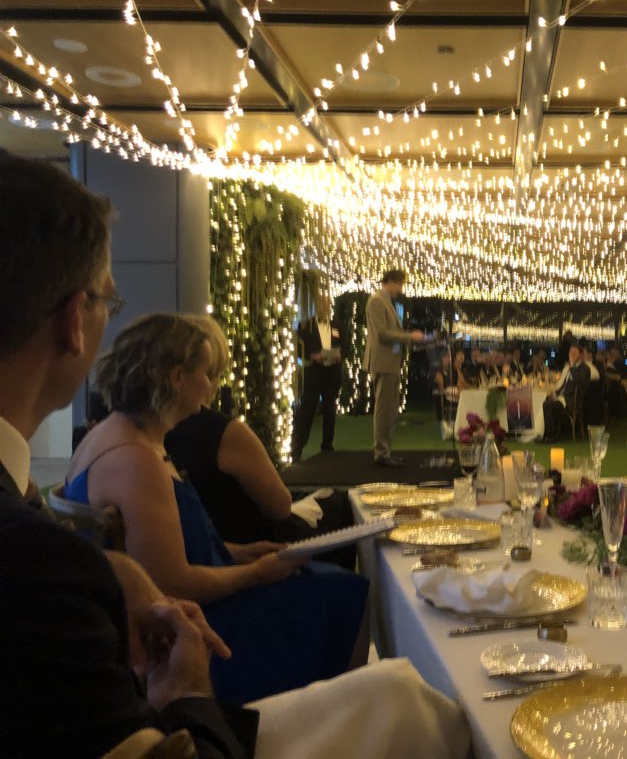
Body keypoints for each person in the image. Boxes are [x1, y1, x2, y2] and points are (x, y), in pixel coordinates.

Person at [0, 151, 253, 756]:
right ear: (74, 321)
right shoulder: (36, 569)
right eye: (106, 302)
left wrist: (116, 569)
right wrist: (188, 693)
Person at [65, 314, 370, 704]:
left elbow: (165, 548)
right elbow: (170, 583)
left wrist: (241, 552)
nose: (211, 386)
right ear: (178, 378)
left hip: (198, 605)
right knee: (347, 592)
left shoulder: (114, 435)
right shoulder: (135, 459)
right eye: (206, 374)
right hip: (198, 629)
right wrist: (256, 573)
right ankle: (332, 713)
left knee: (326, 581)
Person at [166, 316, 357, 566]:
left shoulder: (149, 434)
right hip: (254, 546)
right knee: (340, 505)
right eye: (209, 374)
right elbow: (279, 507)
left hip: (211, 547)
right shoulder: (224, 433)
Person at [362, 269, 425, 467]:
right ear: (390, 281)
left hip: (389, 362)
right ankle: (381, 452)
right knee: (384, 409)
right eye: (400, 284)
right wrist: (409, 337)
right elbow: (382, 334)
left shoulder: (386, 302)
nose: (401, 289)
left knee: (389, 409)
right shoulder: (376, 301)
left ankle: (385, 451)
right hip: (383, 362)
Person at [290, 295, 341, 463]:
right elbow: (296, 348)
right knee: (306, 412)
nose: (325, 307)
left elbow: (343, 345)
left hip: (331, 374)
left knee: (330, 412)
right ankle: (297, 449)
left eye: (327, 304)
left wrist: (339, 355)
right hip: (313, 374)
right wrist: (311, 356)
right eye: (322, 304)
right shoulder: (305, 326)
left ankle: (327, 447)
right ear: (316, 306)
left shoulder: (336, 325)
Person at [540, 343, 590, 442]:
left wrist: (572, 365)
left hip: (572, 401)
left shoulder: (584, 368)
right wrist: (554, 394)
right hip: (561, 397)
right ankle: (546, 434)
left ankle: (551, 436)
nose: (572, 355)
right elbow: (562, 384)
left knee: (547, 406)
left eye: (574, 353)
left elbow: (576, 379)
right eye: (570, 353)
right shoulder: (568, 367)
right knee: (544, 402)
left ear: (580, 355)